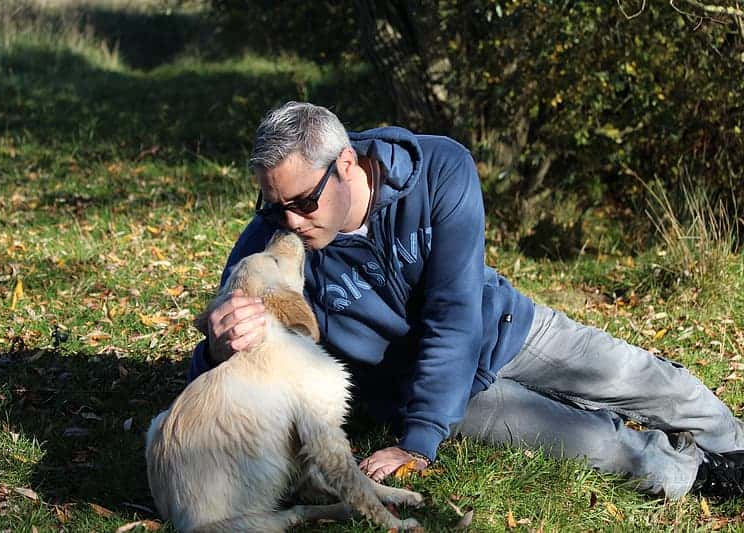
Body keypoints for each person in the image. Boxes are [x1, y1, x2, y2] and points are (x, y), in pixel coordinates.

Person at [188, 101, 744, 500]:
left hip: (499, 324)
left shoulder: (439, 168)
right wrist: (217, 342)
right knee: (599, 445)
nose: (289, 220)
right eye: (273, 205)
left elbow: (453, 314)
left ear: (347, 165)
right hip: (413, 385)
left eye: (303, 201)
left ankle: (736, 449)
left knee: (652, 380)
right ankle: (698, 477)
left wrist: (422, 438)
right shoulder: (274, 241)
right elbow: (219, 367)